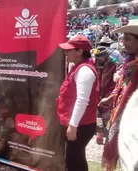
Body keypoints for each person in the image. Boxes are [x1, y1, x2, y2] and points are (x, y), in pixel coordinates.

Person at [99, 20, 138, 171]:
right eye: (123, 38)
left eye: (128, 39)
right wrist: (111, 98)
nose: (123, 43)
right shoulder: (131, 64)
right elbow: (124, 88)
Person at [57, 35, 99, 171]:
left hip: (81, 124)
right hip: (79, 123)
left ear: (80, 51)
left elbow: (82, 100)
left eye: (69, 50)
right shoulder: (78, 67)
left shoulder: (85, 71)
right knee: (75, 158)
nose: (66, 53)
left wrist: (73, 125)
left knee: (74, 160)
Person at [93, 46, 120, 145]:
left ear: (105, 56)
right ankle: (100, 133)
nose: (98, 59)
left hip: (108, 91)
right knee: (97, 113)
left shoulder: (113, 64)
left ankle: (105, 134)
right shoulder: (93, 62)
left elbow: (116, 80)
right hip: (96, 91)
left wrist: (110, 95)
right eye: (97, 57)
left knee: (106, 114)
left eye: (100, 57)